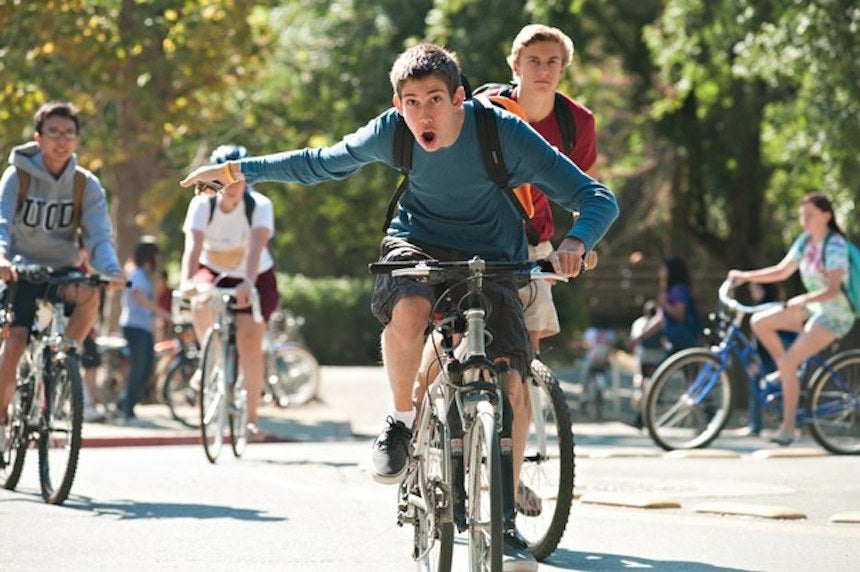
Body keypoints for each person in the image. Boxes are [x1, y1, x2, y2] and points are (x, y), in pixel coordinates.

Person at [180, 44, 618, 569]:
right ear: (397, 102)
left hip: (494, 254)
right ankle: (400, 421)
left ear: (459, 97)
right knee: (409, 310)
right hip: (416, 243)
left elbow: (596, 197)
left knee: (509, 380)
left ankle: (502, 520)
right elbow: (319, 163)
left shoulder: (499, 132)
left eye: (435, 99)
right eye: (411, 102)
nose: (423, 114)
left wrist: (576, 243)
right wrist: (237, 171)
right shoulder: (393, 132)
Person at [0, 101, 124, 451]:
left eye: (69, 133)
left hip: (63, 268)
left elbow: (99, 235)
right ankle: (1, 419)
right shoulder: (17, 176)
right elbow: (2, 225)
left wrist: (110, 268)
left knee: (89, 293)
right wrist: (2, 257)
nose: (61, 140)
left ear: (77, 140)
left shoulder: (86, 184)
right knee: (16, 343)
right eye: (53, 132)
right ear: (38, 138)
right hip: (21, 268)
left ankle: (63, 358)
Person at [488, 24, 601, 357]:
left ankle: (523, 406)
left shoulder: (576, 121)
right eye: (533, 60)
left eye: (552, 62)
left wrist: (586, 240)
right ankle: (421, 394)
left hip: (533, 240)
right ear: (515, 66)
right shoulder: (488, 111)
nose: (543, 69)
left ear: (562, 69)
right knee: (453, 338)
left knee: (526, 346)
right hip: (478, 233)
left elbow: (589, 193)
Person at [728, 192, 855, 446]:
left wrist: (803, 300)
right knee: (760, 322)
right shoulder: (805, 243)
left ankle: (788, 429)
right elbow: (781, 271)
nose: (804, 220)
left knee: (788, 362)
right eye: (801, 215)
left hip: (836, 314)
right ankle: (787, 371)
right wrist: (746, 276)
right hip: (815, 309)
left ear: (827, 215)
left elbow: (832, 291)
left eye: (810, 215)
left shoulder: (836, 245)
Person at [180, 144, 279, 438]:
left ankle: (250, 419)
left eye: (237, 179)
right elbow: (193, 246)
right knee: (200, 301)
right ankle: (209, 360)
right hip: (214, 269)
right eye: (223, 180)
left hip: (254, 273)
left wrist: (247, 283)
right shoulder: (202, 204)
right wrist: (187, 280)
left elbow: (257, 247)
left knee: (250, 338)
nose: (231, 187)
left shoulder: (260, 206)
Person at [116, 237, 171, 424]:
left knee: (147, 368)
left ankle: (124, 404)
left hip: (144, 327)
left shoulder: (147, 276)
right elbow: (141, 299)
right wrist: (164, 314)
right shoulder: (136, 275)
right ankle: (127, 411)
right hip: (134, 326)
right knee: (138, 368)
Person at [627, 299, 665, 427]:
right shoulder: (662, 323)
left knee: (643, 386)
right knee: (653, 387)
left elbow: (633, 341)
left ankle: (640, 417)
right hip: (658, 358)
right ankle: (647, 417)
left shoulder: (640, 323)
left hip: (644, 358)